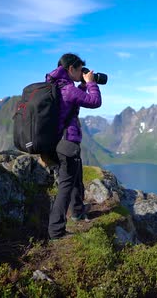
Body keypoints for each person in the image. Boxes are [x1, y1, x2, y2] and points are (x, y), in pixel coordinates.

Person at [44, 53, 102, 240]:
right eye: (79, 70)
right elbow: (94, 101)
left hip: (58, 142)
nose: (81, 73)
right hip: (67, 142)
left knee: (76, 178)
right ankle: (56, 231)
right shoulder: (67, 89)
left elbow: (74, 101)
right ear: (71, 69)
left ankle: (77, 212)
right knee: (66, 185)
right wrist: (91, 83)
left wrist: (84, 85)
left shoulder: (57, 86)